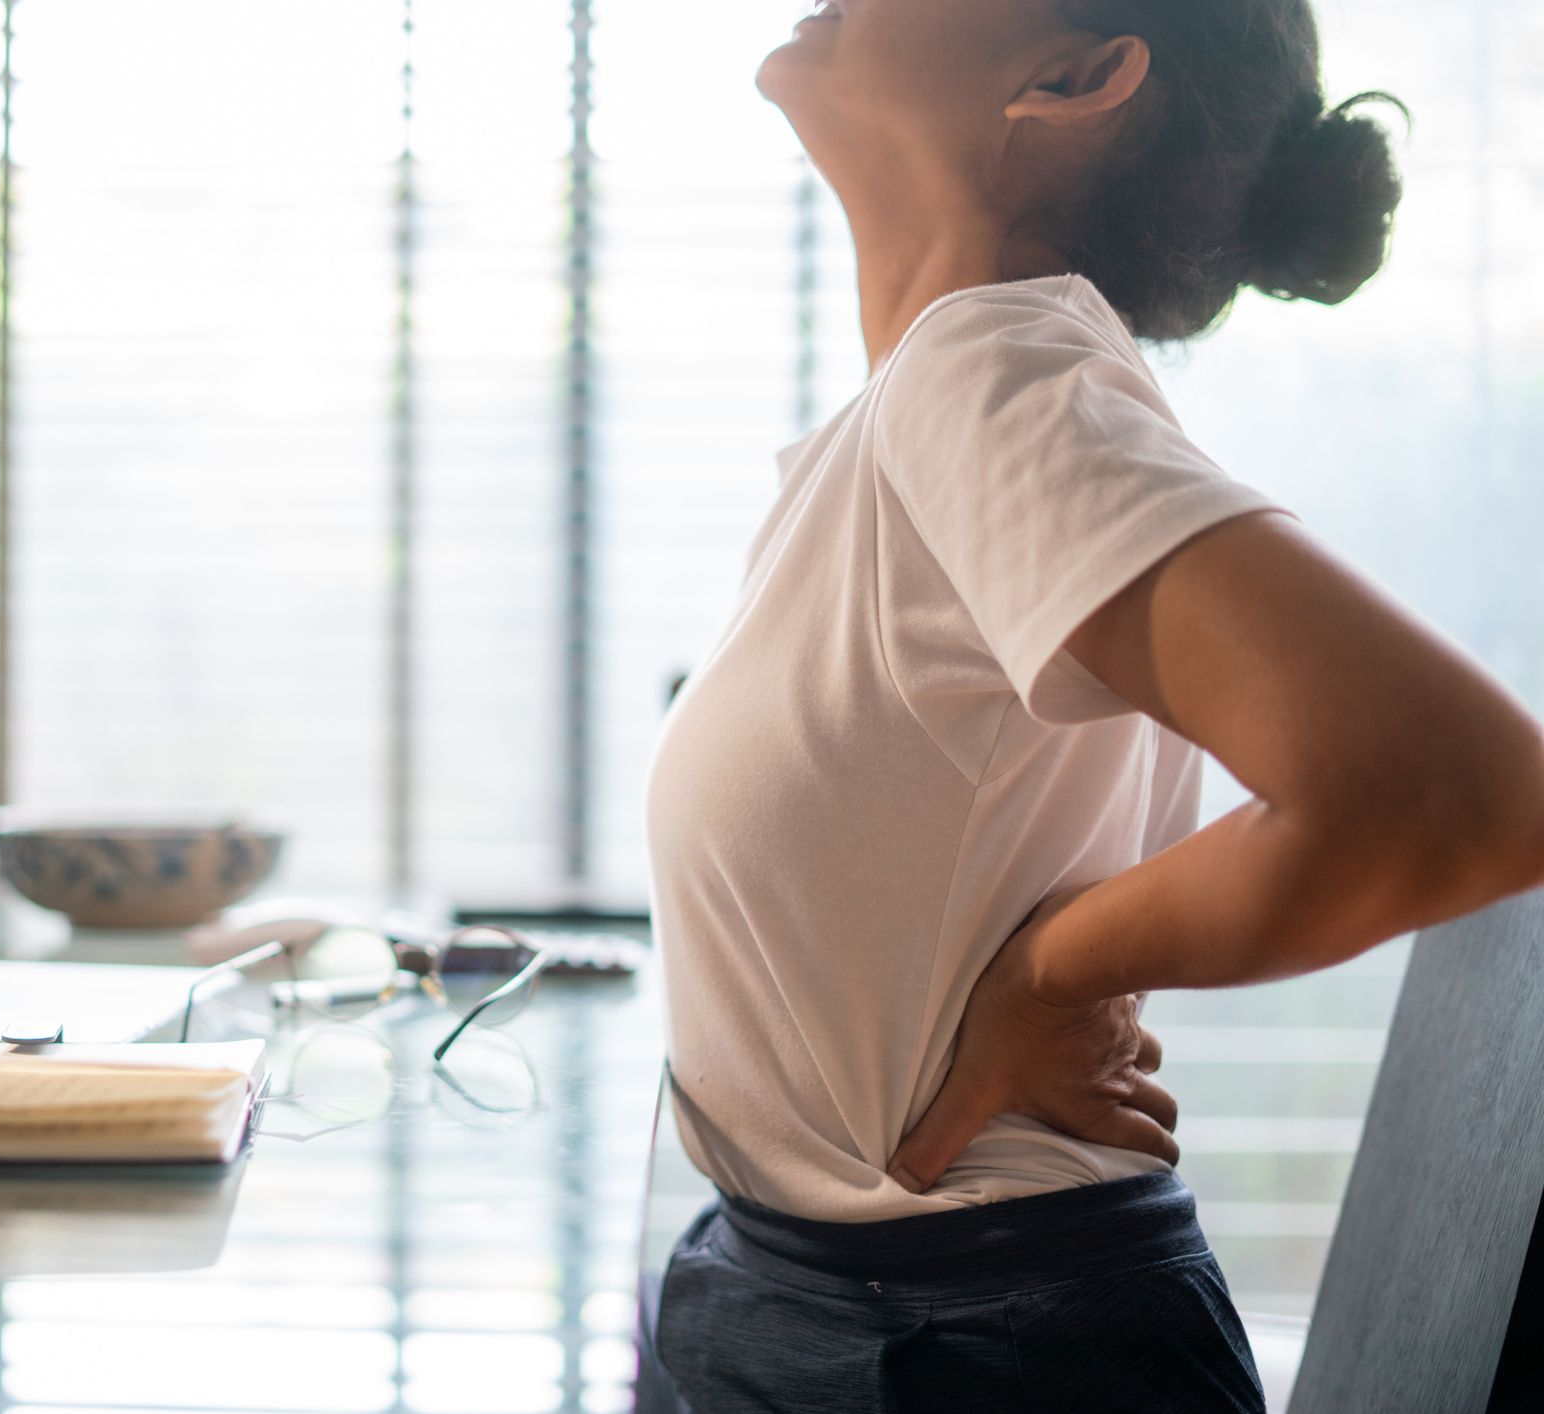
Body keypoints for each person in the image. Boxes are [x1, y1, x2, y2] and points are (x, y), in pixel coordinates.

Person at [640, 1, 1544, 1409]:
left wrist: (1053, 970)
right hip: (852, 1301)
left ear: (1074, 78)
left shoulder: (989, 375)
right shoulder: (922, 409)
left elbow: (1466, 793)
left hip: (972, 1344)